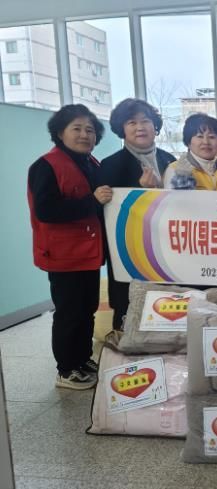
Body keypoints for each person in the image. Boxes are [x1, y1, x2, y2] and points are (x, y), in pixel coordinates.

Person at [27, 104, 113, 390]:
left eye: (90, 130)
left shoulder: (91, 163)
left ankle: (81, 358)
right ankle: (66, 369)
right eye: (76, 128)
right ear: (60, 132)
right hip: (63, 255)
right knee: (69, 313)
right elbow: (46, 210)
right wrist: (92, 201)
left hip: (88, 253)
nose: (84, 135)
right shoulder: (46, 165)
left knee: (86, 309)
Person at [99, 98, 175, 330]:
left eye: (145, 121)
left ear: (155, 126)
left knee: (167, 310)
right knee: (128, 314)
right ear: (122, 128)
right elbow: (107, 213)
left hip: (167, 250)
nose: (140, 127)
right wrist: (141, 191)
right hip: (130, 251)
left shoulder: (170, 160)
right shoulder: (110, 165)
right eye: (132, 122)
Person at [163, 113, 217, 190]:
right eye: (200, 136)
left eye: (211, 137)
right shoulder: (175, 170)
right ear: (188, 142)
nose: (206, 142)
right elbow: (173, 197)